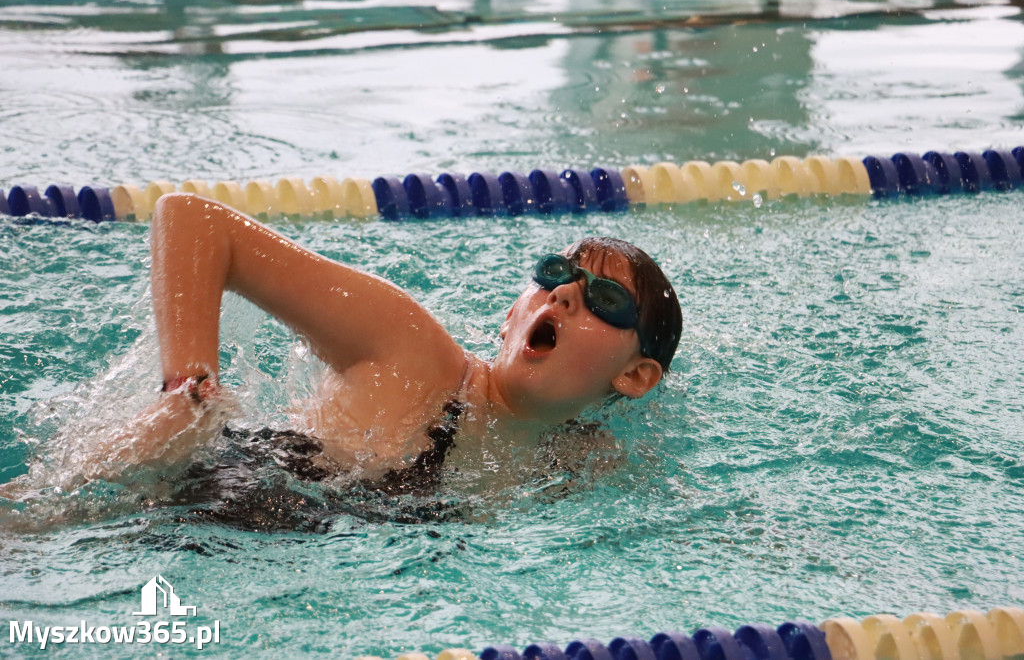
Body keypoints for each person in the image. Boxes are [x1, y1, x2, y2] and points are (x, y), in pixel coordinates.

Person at [3, 193, 683, 499]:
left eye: (605, 300)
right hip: (159, 490)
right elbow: (192, 221)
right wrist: (187, 394)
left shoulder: (578, 465)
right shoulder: (413, 351)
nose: (564, 296)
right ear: (512, 316)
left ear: (636, 377)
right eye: (556, 277)